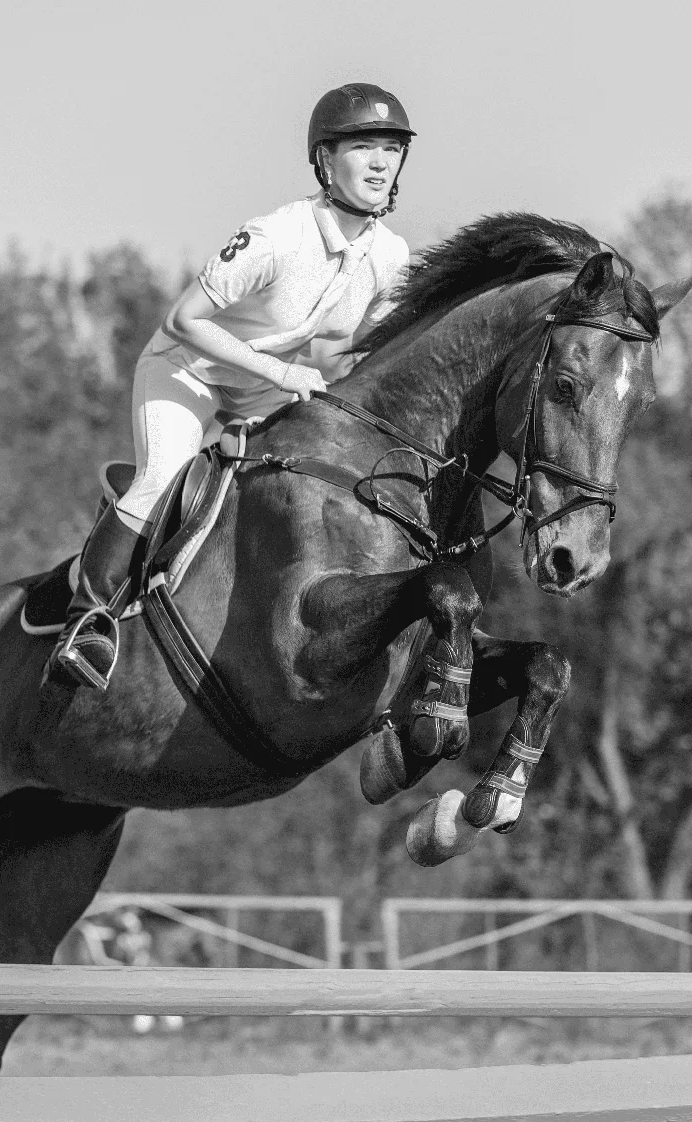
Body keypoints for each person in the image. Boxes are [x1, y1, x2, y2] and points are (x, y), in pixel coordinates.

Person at [46, 84, 415, 690]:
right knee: (164, 475)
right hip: (186, 372)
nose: (380, 162)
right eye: (363, 146)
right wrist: (281, 373)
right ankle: (88, 621)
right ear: (325, 159)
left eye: (392, 148)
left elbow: (372, 348)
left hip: (264, 390)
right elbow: (183, 321)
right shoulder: (276, 237)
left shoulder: (389, 254)